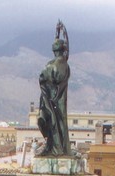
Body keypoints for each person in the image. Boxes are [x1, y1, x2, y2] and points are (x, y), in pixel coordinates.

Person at [36, 21, 71, 158]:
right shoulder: (63, 65)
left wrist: (45, 72)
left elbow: (45, 76)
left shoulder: (57, 65)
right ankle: (55, 146)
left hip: (53, 99)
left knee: (52, 122)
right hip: (55, 98)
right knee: (55, 123)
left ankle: (55, 147)